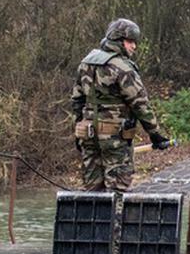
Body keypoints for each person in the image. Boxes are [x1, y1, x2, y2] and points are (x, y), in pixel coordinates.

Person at [71, 18, 169, 192]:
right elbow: (141, 105)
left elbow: (77, 100)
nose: (134, 47)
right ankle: (113, 219)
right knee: (117, 188)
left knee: (92, 188)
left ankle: (91, 219)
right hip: (114, 138)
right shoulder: (123, 68)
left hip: (87, 134)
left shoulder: (86, 63)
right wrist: (155, 134)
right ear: (118, 41)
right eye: (130, 42)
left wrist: (77, 129)